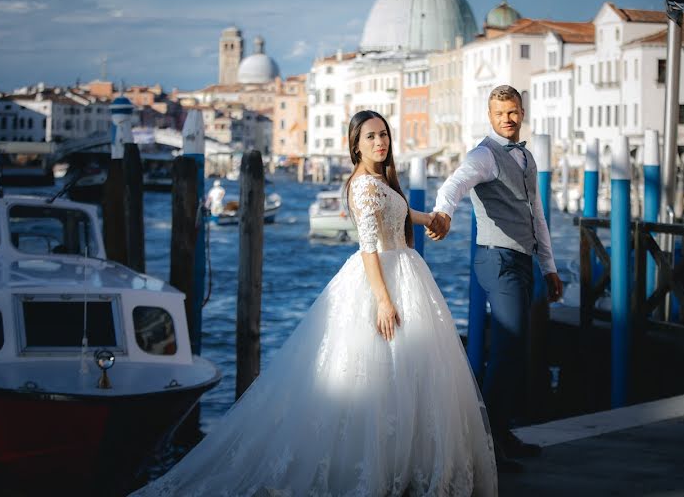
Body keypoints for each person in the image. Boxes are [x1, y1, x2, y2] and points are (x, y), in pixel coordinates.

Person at [131, 110, 497, 496]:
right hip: (382, 279)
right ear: (355, 145)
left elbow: (400, 212)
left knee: (408, 375)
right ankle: (376, 471)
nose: (380, 142)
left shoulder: (381, 181)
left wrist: (433, 219)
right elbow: (369, 248)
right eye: (371, 137)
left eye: (384, 135)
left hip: (406, 270)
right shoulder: (362, 186)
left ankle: (402, 468)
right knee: (378, 374)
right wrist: (384, 302)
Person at [427, 84, 563, 472]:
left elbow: (536, 214)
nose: (508, 118)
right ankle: (483, 446)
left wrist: (550, 268)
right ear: (490, 117)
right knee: (507, 349)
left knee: (515, 350)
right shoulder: (484, 155)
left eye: (513, 111)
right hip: (497, 259)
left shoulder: (527, 158)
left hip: (521, 260)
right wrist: (443, 213)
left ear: (522, 113)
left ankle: (499, 434)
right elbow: (454, 183)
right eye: (501, 112)